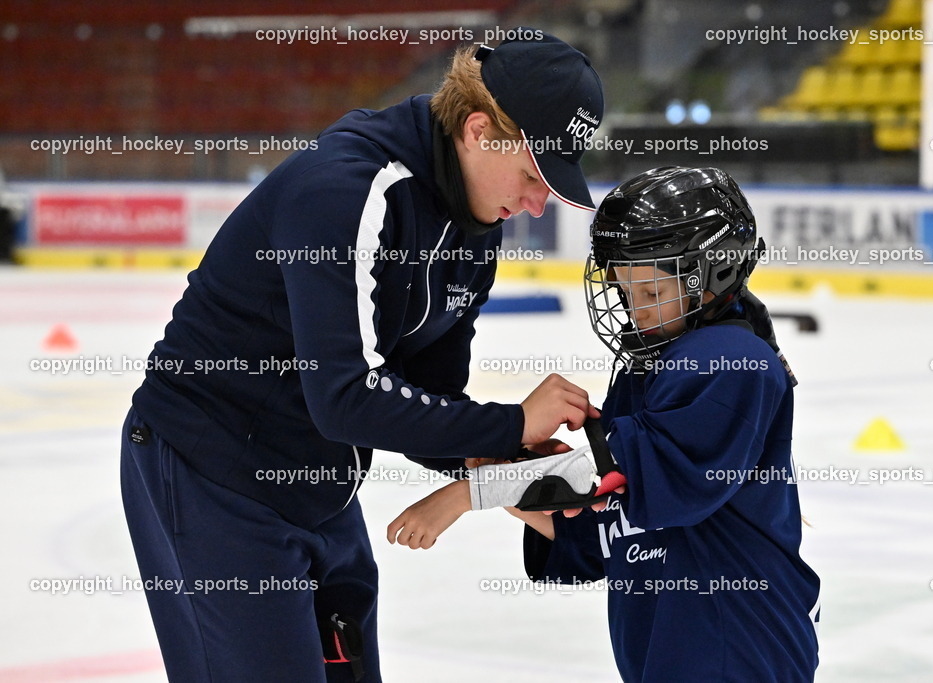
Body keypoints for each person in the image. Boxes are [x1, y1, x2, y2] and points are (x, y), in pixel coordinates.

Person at [120, 30, 604, 683]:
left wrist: (513, 464)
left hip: (318, 481)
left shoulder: (474, 231)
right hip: (213, 474)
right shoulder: (346, 190)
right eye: (531, 175)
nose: (536, 204)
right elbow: (347, 395)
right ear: (479, 130)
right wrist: (512, 425)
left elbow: (428, 401)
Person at [387, 166, 821, 681]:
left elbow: (611, 476)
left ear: (713, 277)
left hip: (743, 647)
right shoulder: (647, 370)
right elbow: (605, 528)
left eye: (652, 293)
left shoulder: (728, 358)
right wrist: (509, 479)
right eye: (626, 291)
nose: (635, 313)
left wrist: (469, 492)